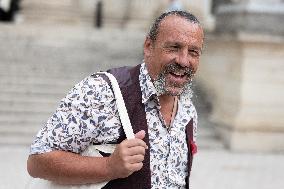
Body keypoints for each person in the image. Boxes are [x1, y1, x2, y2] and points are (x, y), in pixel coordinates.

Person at [27, 10, 204, 189]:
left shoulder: (188, 112)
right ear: (149, 46)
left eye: (193, 52)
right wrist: (109, 166)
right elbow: (37, 162)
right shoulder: (100, 91)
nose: (183, 60)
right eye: (173, 48)